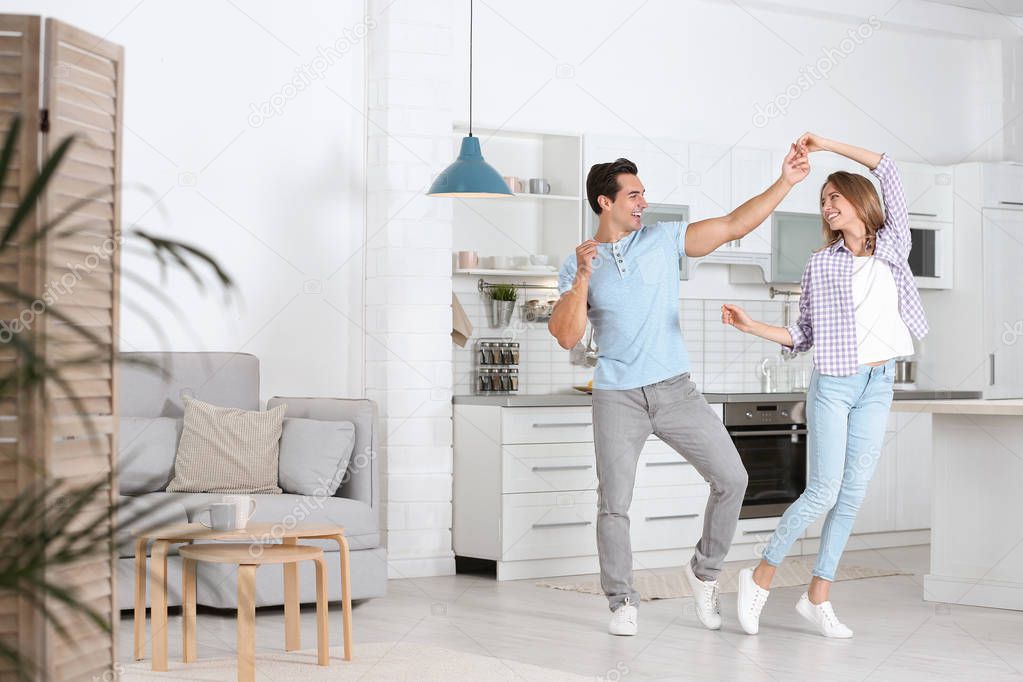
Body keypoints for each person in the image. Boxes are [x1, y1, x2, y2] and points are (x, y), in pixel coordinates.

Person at [548, 144, 810, 636]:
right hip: (617, 396)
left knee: (733, 478)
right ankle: (622, 600)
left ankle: (704, 572)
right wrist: (583, 276)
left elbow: (734, 224)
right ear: (605, 202)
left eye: (643, 194)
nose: (642, 202)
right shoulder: (577, 262)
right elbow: (566, 334)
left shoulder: (664, 239)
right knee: (614, 504)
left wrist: (787, 182)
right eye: (633, 195)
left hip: (675, 391)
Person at [721, 133, 929, 638]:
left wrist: (826, 146)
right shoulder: (821, 263)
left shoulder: (894, 245)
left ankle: (818, 596)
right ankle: (761, 576)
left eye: (834, 197)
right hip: (835, 383)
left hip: (879, 383)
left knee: (852, 494)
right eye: (822, 201)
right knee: (823, 490)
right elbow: (803, 334)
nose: (826, 206)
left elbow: (890, 165)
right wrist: (752, 327)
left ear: (859, 202)